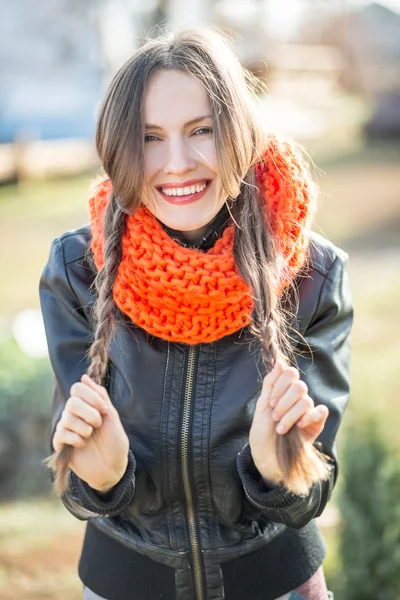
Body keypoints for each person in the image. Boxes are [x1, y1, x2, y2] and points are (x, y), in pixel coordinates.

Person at [39, 26, 353, 600]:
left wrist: (273, 469)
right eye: (150, 137)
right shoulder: (78, 269)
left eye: (201, 131)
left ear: (238, 130)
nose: (176, 163)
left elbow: (313, 487)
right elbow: (77, 478)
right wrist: (105, 478)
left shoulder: (314, 274)